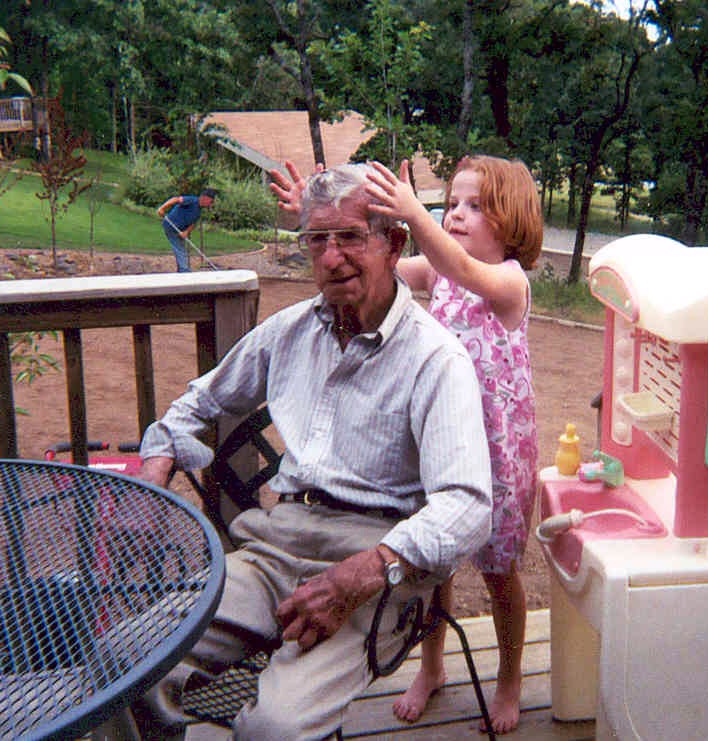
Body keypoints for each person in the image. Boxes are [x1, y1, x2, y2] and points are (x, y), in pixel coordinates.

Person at [106, 163, 493, 740]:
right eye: (317, 239)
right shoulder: (289, 332)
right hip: (274, 546)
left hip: (376, 567)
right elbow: (198, 402)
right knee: (125, 657)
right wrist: (154, 469)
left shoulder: (436, 360)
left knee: (274, 730)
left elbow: (468, 505)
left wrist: (364, 572)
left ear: (393, 244)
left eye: (350, 237)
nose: (332, 258)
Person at [270, 154, 542, 734]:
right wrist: (320, 217)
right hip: (439, 447)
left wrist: (418, 214)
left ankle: (510, 679)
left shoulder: (508, 281)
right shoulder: (437, 272)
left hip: (496, 457)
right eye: (452, 203)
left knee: (500, 576)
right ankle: (432, 666)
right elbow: (381, 258)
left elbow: (461, 267)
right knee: (435, 564)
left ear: (512, 219)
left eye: (475, 206)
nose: (455, 214)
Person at [156, 187, 216, 272]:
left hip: (180, 229)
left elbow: (192, 223)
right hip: (170, 224)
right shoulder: (191, 200)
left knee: (180, 248)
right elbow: (175, 199)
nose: (209, 204)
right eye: (210, 201)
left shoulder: (198, 210)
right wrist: (162, 208)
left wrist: (186, 232)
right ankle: (184, 270)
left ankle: (182, 269)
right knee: (179, 247)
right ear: (204, 197)